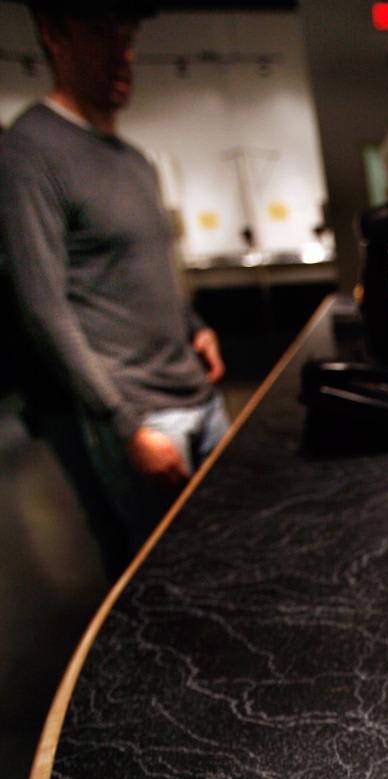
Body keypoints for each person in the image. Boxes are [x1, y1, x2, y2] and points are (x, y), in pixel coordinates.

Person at [0, 2, 229, 575]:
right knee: (165, 578)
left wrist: (196, 328)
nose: (121, 51)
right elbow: (43, 309)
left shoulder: (135, 160)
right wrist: (124, 423)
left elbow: (147, 270)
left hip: (198, 395)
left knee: (227, 553)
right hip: (143, 414)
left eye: (125, 35)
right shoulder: (29, 151)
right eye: (100, 30)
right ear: (54, 33)